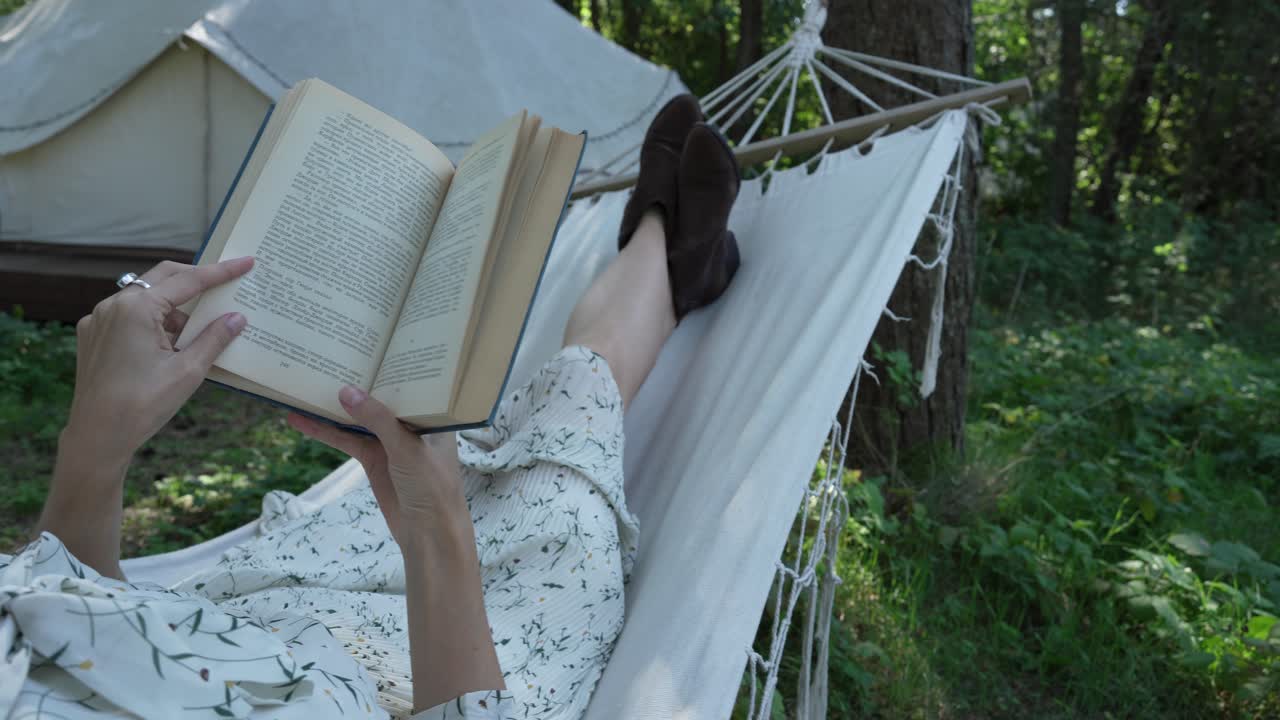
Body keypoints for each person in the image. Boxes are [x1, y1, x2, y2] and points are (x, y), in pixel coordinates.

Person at [2, 96, 740, 719]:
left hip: (266, 602)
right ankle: (662, 248)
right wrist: (435, 533)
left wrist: (94, 445)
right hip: (422, 676)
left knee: (466, 460)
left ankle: (661, 248)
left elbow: (83, 622)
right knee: (558, 503)